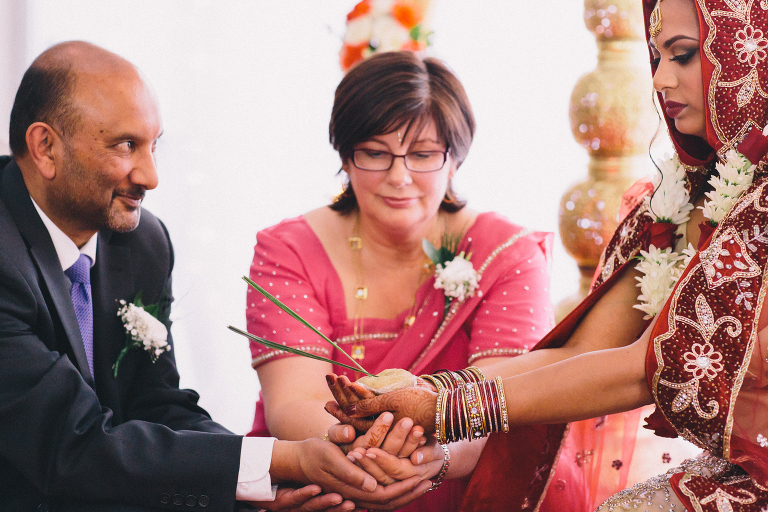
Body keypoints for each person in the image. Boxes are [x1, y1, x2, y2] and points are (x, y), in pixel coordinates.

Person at [329, 0, 768, 510]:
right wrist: (429, 392)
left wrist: (443, 408)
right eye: (655, 57)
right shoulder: (690, 192)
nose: (661, 80)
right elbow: (584, 350)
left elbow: (639, 370)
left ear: (749, 53)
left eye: (684, 55)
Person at [0, 40, 433, 512]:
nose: (151, 175)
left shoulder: (141, 242)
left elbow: (157, 404)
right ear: (44, 147)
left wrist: (269, 485)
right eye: (126, 146)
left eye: (154, 144)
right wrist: (286, 461)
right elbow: (73, 446)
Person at [244, 50, 584, 511]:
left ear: (455, 159)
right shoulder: (288, 250)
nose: (399, 177)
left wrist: (434, 458)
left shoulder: (506, 253)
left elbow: (495, 400)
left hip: (462, 484)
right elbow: (293, 401)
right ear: (345, 156)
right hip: (327, 478)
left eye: (423, 155)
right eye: (375, 154)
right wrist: (365, 451)